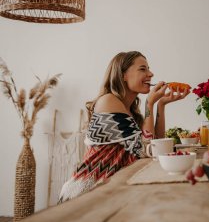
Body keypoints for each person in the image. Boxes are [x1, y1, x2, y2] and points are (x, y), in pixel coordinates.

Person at [58, 51, 189, 202]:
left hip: (110, 191)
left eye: (149, 69)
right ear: (123, 75)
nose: (151, 73)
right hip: (85, 193)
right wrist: (149, 103)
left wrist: (161, 105)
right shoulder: (108, 101)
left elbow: (156, 148)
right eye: (143, 69)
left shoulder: (130, 112)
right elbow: (144, 150)